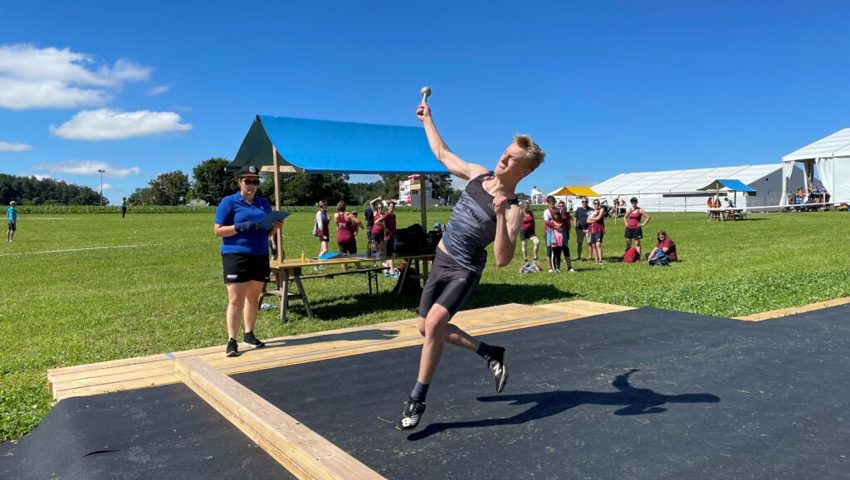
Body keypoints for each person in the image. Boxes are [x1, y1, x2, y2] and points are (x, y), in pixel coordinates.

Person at [397, 99, 545, 430]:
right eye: (505, 152)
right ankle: (490, 352)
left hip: (464, 270)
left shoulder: (512, 209)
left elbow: (503, 259)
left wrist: (498, 215)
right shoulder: (478, 174)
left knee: (434, 324)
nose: (503, 159)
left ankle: (417, 398)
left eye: (512, 159)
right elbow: (443, 154)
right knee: (424, 328)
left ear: (524, 171)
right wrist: (427, 120)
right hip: (441, 259)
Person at [213, 165, 282, 357]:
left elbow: (267, 234)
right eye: (248, 181)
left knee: (253, 298)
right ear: (239, 182)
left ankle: (249, 335)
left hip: (259, 254)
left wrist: (275, 228)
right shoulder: (229, 202)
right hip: (236, 254)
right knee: (235, 299)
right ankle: (231, 340)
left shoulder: (263, 204)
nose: (252, 185)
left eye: (256, 181)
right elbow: (217, 230)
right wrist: (239, 226)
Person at [335, 200, 358, 272]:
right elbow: (357, 221)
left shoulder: (336, 215)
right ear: (345, 207)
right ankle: (359, 267)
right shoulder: (348, 215)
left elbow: (337, 226)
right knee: (354, 254)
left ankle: (345, 270)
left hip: (340, 237)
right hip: (349, 237)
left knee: (343, 254)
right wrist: (362, 227)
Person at [519, 201, 540, 266]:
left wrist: (533, 228)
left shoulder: (530, 212)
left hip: (531, 231)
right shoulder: (520, 213)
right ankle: (525, 259)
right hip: (523, 231)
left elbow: (533, 220)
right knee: (524, 245)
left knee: (537, 242)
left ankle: (535, 257)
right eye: (526, 207)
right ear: (523, 207)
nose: (527, 208)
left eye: (528, 207)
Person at [556, 200, 575, 272]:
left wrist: (569, 231)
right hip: (558, 234)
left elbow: (569, 223)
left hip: (565, 234)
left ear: (565, 206)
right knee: (558, 251)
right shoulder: (557, 213)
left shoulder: (567, 214)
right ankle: (558, 268)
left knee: (566, 249)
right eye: (559, 206)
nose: (561, 207)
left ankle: (569, 267)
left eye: (562, 205)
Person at [542, 196, 559, 272]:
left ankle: (555, 266)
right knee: (549, 249)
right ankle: (549, 267)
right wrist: (555, 226)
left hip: (556, 232)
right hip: (548, 232)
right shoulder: (546, 211)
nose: (552, 202)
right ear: (548, 203)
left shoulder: (557, 210)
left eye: (553, 201)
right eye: (550, 201)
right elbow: (547, 221)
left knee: (555, 249)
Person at [587, 199, 606, 264]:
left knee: (598, 244)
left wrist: (591, 219)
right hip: (592, 230)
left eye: (598, 203)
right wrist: (594, 220)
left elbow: (598, 218)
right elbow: (587, 221)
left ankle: (600, 260)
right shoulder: (591, 212)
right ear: (593, 204)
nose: (597, 204)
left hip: (599, 229)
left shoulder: (601, 210)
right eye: (595, 203)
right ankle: (596, 260)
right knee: (593, 245)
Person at [573, 196, 590, 261]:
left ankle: (590, 257)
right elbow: (575, 218)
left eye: (585, 201)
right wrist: (575, 227)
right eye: (583, 201)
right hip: (580, 229)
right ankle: (579, 256)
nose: (584, 203)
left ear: (587, 202)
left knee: (589, 243)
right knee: (579, 243)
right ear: (581, 202)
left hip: (588, 229)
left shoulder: (590, 210)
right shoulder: (578, 210)